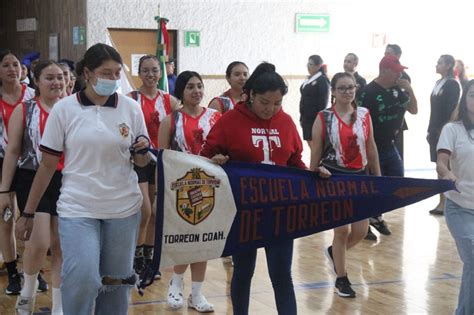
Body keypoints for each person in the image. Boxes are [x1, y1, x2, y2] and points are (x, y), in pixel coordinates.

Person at [14, 43, 151, 314]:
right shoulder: (64, 110)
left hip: (123, 208)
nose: (112, 80)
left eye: (116, 74)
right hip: (78, 208)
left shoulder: (131, 108)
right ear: (87, 73)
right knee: (83, 277)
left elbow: (142, 161)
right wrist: (28, 212)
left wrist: (143, 152)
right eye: (105, 73)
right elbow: (46, 166)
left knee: (115, 285)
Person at [201, 62, 330, 315]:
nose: (271, 109)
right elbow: (204, 158)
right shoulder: (229, 121)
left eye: (277, 103)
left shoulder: (286, 122)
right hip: (243, 211)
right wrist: (214, 162)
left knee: (282, 275)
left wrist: (313, 175)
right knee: (243, 271)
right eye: (264, 103)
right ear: (250, 96)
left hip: (281, 211)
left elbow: (294, 162)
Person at [0, 60, 65, 314]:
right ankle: (27, 290)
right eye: (49, 77)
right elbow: (13, 151)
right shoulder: (25, 110)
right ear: (35, 80)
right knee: (38, 242)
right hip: (31, 177)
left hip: (65, 180)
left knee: (61, 244)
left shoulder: (71, 108)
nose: (56, 82)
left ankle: (59, 304)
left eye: (60, 77)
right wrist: (4, 191)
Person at [310, 72, 381, 298]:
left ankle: (334, 253)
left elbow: (371, 148)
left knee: (360, 232)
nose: (347, 91)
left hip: (359, 178)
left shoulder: (364, 115)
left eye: (351, 87)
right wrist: (313, 176)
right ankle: (342, 278)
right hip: (334, 178)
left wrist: (378, 179)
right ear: (333, 91)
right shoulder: (324, 117)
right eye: (342, 88)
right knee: (341, 230)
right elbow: (316, 151)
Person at [158, 70, 221, 313]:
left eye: (199, 86)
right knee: (186, 240)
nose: (196, 91)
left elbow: (224, 148)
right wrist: (160, 192)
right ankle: (175, 284)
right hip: (180, 188)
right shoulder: (171, 120)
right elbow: (161, 157)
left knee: (204, 240)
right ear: (181, 91)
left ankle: (197, 294)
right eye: (190, 87)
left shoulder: (216, 118)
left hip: (211, 188)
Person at [126, 54, 179, 277]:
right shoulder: (131, 99)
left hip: (162, 161)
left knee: (156, 212)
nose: (150, 74)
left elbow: (181, 127)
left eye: (155, 70)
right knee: (144, 210)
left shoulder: (170, 100)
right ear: (139, 73)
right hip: (138, 160)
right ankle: (135, 257)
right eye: (146, 70)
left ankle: (149, 258)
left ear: (161, 72)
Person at [358, 55, 417, 241]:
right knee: (370, 186)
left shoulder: (398, 91)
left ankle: (375, 215)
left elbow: (414, 110)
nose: (400, 74)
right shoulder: (368, 92)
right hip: (371, 148)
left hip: (390, 147)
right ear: (384, 71)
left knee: (397, 181)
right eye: (396, 71)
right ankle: (366, 222)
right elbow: (358, 121)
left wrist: (410, 90)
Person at [436, 79, 474, 314]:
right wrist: (447, 172)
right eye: (472, 95)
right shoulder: (452, 129)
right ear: (465, 99)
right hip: (459, 207)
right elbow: (441, 160)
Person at [0, 49, 35, 295]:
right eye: (6, 65)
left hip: (31, 165)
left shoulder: (33, 95)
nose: (13, 69)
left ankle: (33, 272)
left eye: (16, 64)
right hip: (3, 162)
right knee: (6, 220)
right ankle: (13, 273)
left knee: (33, 219)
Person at [427, 55, 461, 216]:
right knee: (438, 167)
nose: (436, 65)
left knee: (444, 166)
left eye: (439, 63)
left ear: (448, 66)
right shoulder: (437, 83)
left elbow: (452, 109)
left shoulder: (452, 85)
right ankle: (442, 201)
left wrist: (445, 129)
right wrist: (430, 129)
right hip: (434, 130)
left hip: (443, 130)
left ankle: (446, 202)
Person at [299, 55, 330, 147]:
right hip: (306, 118)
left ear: (318, 66)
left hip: (314, 118)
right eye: (308, 64)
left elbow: (323, 102)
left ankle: (317, 161)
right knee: (310, 143)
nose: (308, 66)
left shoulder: (322, 80)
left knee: (316, 146)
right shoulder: (309, 79)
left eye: (311, 64)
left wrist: (319, 119)